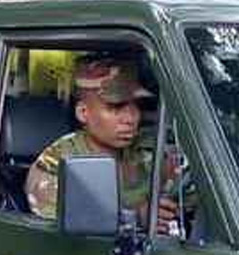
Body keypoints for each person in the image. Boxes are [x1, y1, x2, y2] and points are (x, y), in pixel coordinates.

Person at [25, 58, 177, 229]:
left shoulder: (150, 149)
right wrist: (136, 216)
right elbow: (65, 234)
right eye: (116, 107)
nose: (131, 118)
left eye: (136, 105)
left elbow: (195, 191)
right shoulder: (56, 163)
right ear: (83, 112)